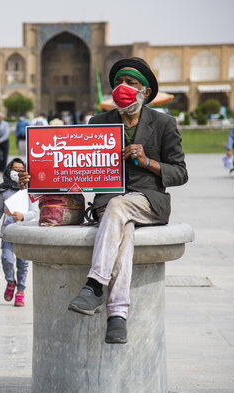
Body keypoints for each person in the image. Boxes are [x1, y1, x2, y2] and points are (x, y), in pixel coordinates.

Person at [20, 57, 188, 344]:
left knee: (119, 207)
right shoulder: (99, 123)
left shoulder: (163, 123)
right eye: (118, 83)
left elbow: (180, 173)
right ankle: (117, 316)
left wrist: (147, 161)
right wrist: (34, 176)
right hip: (110, 207)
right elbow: (71, 163)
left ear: (145, 91)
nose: (122, 88)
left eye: (131, 83)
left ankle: (95, 283)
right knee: (124, 232)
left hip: (149, 202)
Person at [0, 158, 38, 307]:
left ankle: (21, 291)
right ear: (9, 170)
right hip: (8, 233)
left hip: (24, 233)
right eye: (14, 169)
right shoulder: (4, 191)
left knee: (23, 264)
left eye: (21, 170)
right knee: (7, 259)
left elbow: (34, 211)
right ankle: (10, 281)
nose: (17, 172)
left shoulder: (30, 191)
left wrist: (23, 216)